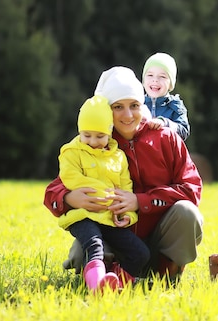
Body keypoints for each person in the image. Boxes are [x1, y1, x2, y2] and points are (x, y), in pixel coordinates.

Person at [44, 66, 202, 285]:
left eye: (134, 105)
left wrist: (140, 201)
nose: (128, 115)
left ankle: (166, 276)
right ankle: (108, 279)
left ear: (142, 105)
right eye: (118, 107)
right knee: (83, 253)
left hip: (160, 240)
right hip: (113, 236)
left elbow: (191, 189)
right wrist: (68, 198)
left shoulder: (166, 138)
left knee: (187, 212)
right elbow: (54, 190)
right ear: (106, 111)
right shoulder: (96, 142)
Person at [56, 95, 150, 293]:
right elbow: (70, 178)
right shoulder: (71, 152)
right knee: (94, 245)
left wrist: (127, 214)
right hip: (82, 216)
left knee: (140, 253)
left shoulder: (118, 157)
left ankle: (117, 284)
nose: (92, 141)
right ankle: (96, 286)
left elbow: (126, 189)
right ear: (79, 131)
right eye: (86, 135)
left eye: (99, 136)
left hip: (109, 217)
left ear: (109, 133)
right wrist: (106, 195)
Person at [142, 52, 190, 141]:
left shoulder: (175, 106)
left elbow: (183, 131)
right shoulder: (137, 104)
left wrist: (165, 123)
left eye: (162, 77)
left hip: (165, 153)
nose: (155, 80)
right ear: (143, 81)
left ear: (170, 84)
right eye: (150, 75)